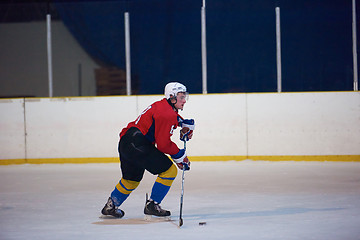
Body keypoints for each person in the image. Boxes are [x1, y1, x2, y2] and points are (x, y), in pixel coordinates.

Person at [101, 82, 195, 218]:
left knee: (131, 180)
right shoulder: (167, 113)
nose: (184, 100)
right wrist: (180, 156)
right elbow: (163, 145)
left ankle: (111, 206)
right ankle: (153, 205)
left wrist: (182, 122)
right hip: (139, 144)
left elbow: (166, 117)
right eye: (181, 97)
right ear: (172, 97)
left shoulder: (162, 105)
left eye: (184, 96)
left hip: (127, 142)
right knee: (169, 170)